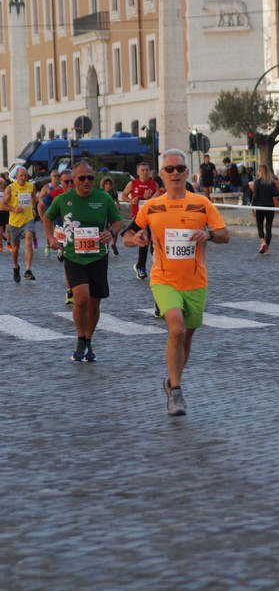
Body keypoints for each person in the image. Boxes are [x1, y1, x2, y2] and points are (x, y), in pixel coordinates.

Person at [122, 148, 230, 416]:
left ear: (186, 172)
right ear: (161, 174)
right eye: (169, 169)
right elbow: (127, 235)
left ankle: (171, 382)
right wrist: (134, 239)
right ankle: (177, 395)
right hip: (163, 280)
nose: (175, 174)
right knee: (177, 329)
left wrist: (207, 234)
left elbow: (225, 234)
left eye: (179, 169)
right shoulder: (152, 206)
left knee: (187, 336)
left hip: (195, 282)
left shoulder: (201, 203)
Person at [43, 160, 124, 362]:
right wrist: (51, 238)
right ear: (74, 180)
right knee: (81, 298)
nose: (86, 181)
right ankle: (80, 338)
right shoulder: (64, 199)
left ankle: (88, 340)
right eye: (82, 178)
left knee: (95, 303)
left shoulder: (103, 198)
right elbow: (47, 216)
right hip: (74, 256)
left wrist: (111, 232)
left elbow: (118, 221)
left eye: (90, 177)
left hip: (98, 256)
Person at [38, 169, 76, 305]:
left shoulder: (82, 194)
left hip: (79, 232)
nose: (71, 184)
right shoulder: (55, 194)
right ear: (61, 183)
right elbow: (41, 206)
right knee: (69, 261)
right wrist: (46, 224)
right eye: (67, 181)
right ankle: (70, 290)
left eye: (73, 180)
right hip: (62, 231)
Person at [122, 161, 159, 279]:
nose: (145, 172)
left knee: (154, 242)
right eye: (142, 170)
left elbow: (159, 199)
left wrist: (150, 199)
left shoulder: (154, 184)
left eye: (147, 170)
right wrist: (131, 201)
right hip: (138, 217)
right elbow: (123, 195)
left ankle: (156, 267)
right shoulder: (132, 183)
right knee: (144, 240)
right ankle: (141, 267)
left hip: (152, 217)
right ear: (137, 172)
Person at [0, 167, 37, 281]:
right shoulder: (10, 188)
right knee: (15, 248)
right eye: (21, 175)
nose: (24, 178)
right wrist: (14, 209)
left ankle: (28, 270)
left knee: (29, 240)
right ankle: (16, 267)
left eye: (26, 176)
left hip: (28, 219)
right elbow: (2, 206)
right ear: (16, 176)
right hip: (15, 222)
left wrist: (33, 207)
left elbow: (33, 196)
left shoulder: (30, 186)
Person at [251, 164, 279, 255]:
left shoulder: (257, 182)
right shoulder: (271, 182)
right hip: (270, 206)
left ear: (259, 171)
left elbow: (255, 196)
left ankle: (263, 243)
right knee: (268, 227)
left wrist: (252, 207)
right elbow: (276, 193)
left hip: (260, 206)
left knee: (259, 226)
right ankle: (266, 248)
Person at [41, 170, 63, 256]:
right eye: (55, 176)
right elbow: (40, 199)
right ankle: (48, 245)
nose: (56, 178)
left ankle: (60, 247)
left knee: (59, 229)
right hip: (49, 211)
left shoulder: (62, 187)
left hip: (59, 213)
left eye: (58, 176)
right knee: (50, 230)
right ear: (51, 177)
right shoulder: (47, 187)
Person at [100, 176, 121, 255]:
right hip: (104, 213)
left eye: (109, 184)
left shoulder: (113, 193)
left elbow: (116, 200)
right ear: (103, 185)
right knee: (105, 229)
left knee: (116, 228)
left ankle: (113, 244)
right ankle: (105, 246)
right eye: (106, 184)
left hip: (112, 213)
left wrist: (118, 207)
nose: (108, 185)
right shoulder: (101, 193)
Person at [0, 177, 9, 252]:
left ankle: (8, 243)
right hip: (0, 211)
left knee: (8, 227)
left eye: (2, 183)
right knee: (0, 229)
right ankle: (0, 245)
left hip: (6, 210)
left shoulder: (7, 191)